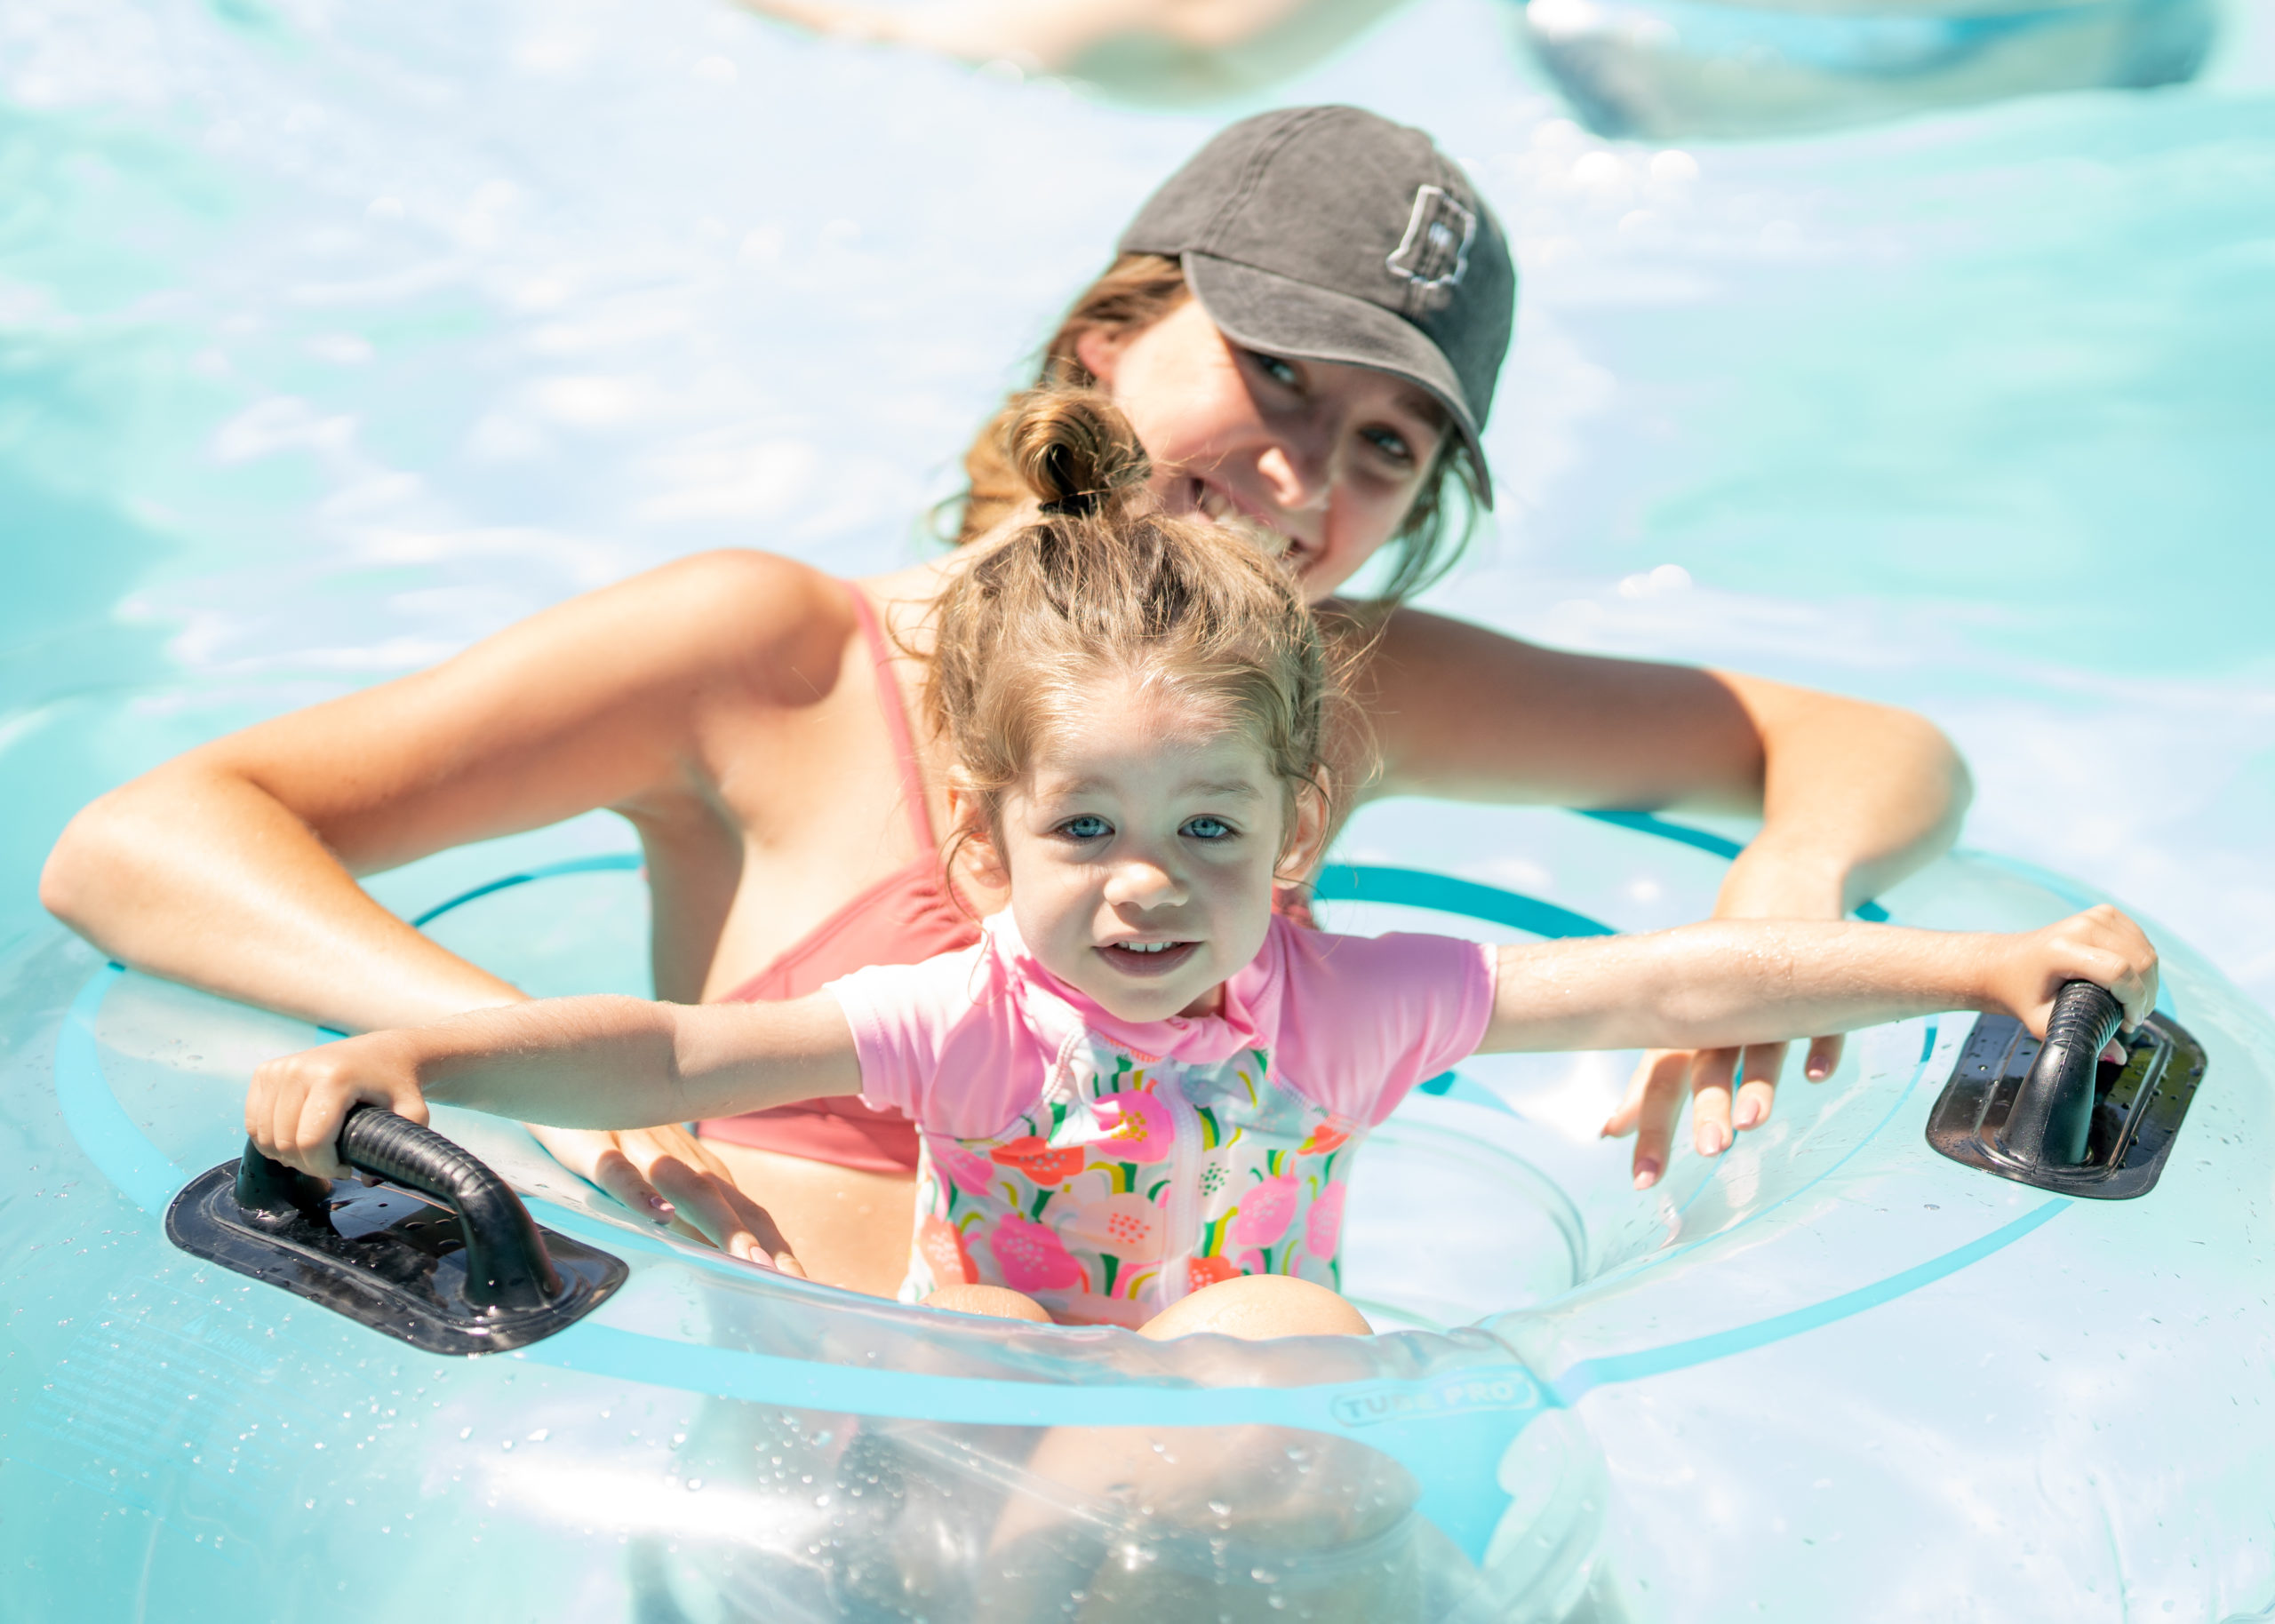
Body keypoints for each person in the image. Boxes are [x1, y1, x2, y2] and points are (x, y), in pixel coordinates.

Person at [44, 106, 1972, 1293]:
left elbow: (1873, 749)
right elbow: (142, 840)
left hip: (1204, 1475)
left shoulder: (1334, 702)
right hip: (821, 1502)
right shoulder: (770, 654)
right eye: (1277, 377)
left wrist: (1781, 890)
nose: (1310, 485)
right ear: (1107, 336)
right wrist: (533, 1066)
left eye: (1388, 445)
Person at [243, 391, 2148, 1340]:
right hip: (968, 1512)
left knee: (1267, 1327)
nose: (1145, 887)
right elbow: (669, 1057)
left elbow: (1654, 981)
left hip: (1230, 1477)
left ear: (1290, 842)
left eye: (1207, 832)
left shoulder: (1340, 1001)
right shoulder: (957, 1017)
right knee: (981, 1331)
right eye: (1085, 832)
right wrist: (426, 1063)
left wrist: (1970, 966)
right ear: (983, 848)